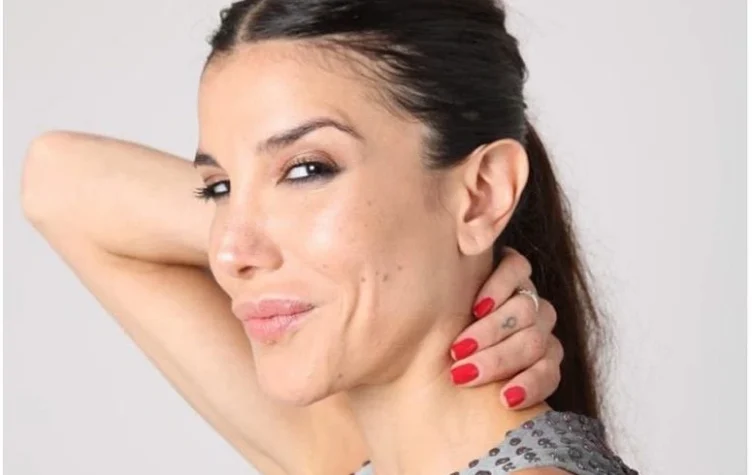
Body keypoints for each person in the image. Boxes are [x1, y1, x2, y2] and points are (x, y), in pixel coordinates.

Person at [20, 0, 638, 473]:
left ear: (481, 191)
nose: (230, 253)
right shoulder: (356, 453)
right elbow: (55, 179)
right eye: (218, 187)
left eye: (307, 170)